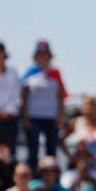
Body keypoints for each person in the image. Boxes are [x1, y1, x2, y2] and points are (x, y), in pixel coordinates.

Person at [19, 40, 67, 170]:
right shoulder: (29, 73)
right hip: (34, 116)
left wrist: (60, 115)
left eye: (45, 54)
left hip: (51, 116)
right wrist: (25, 117)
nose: (43, 57)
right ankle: (33, 175)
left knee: (51, 150)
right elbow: (23, 95)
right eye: (40, 54)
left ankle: (51, 178)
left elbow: (61, 95)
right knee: (33, 149)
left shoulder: (55, 73)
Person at [60, 96, 96, 191]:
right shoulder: (76, 122)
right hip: (83, 161)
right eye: (87, 105)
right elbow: (61, 140)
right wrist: (71, 157)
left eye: (92, 105)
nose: (90, 108)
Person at [0, 42, 21, 159]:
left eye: (1, 52)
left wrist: (9, 111)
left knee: (9, 152)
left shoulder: (13, 72)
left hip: (10, 118)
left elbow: (16, 94)